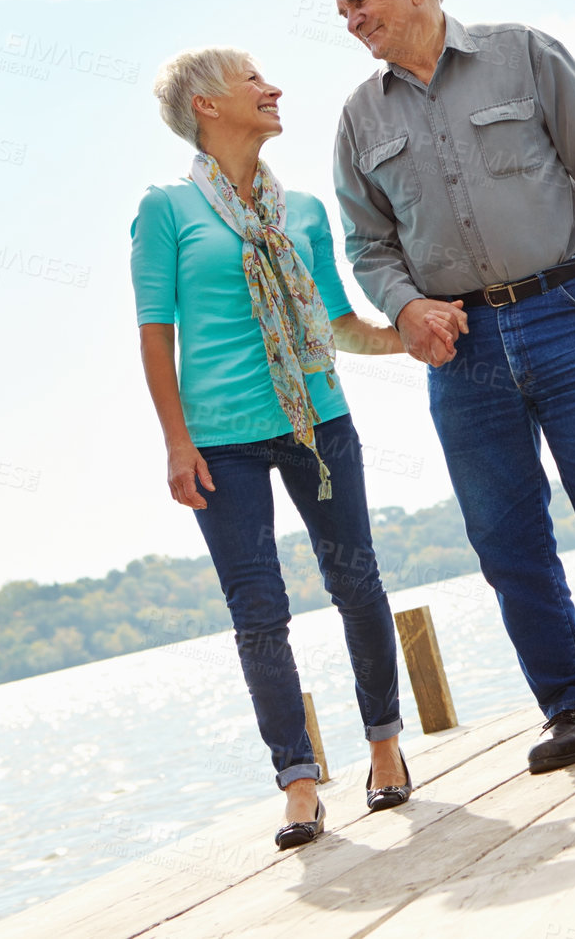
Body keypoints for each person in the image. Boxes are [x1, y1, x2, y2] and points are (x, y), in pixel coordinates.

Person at [325, 0, 575, 774]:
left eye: (359, 0)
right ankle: (572, 705)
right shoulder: (359, 116)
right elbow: (368, 244)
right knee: (503, 537)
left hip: (570, 308)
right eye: (342, 7)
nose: (350, 20)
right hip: (463, 347)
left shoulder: (522, 55)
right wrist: (407, 305)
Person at [132, 47, 416, 849]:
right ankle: (297, 782)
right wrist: (176, 443)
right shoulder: (166, 211)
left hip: (318, 421)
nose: (273, 87)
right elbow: (157, 338)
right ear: (206, 107)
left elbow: (337, 327)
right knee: (258, 614)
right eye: (251, 80)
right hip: (221, 442)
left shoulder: (306, 214)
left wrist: (417, 335)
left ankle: (385, 747)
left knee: (356, 582)